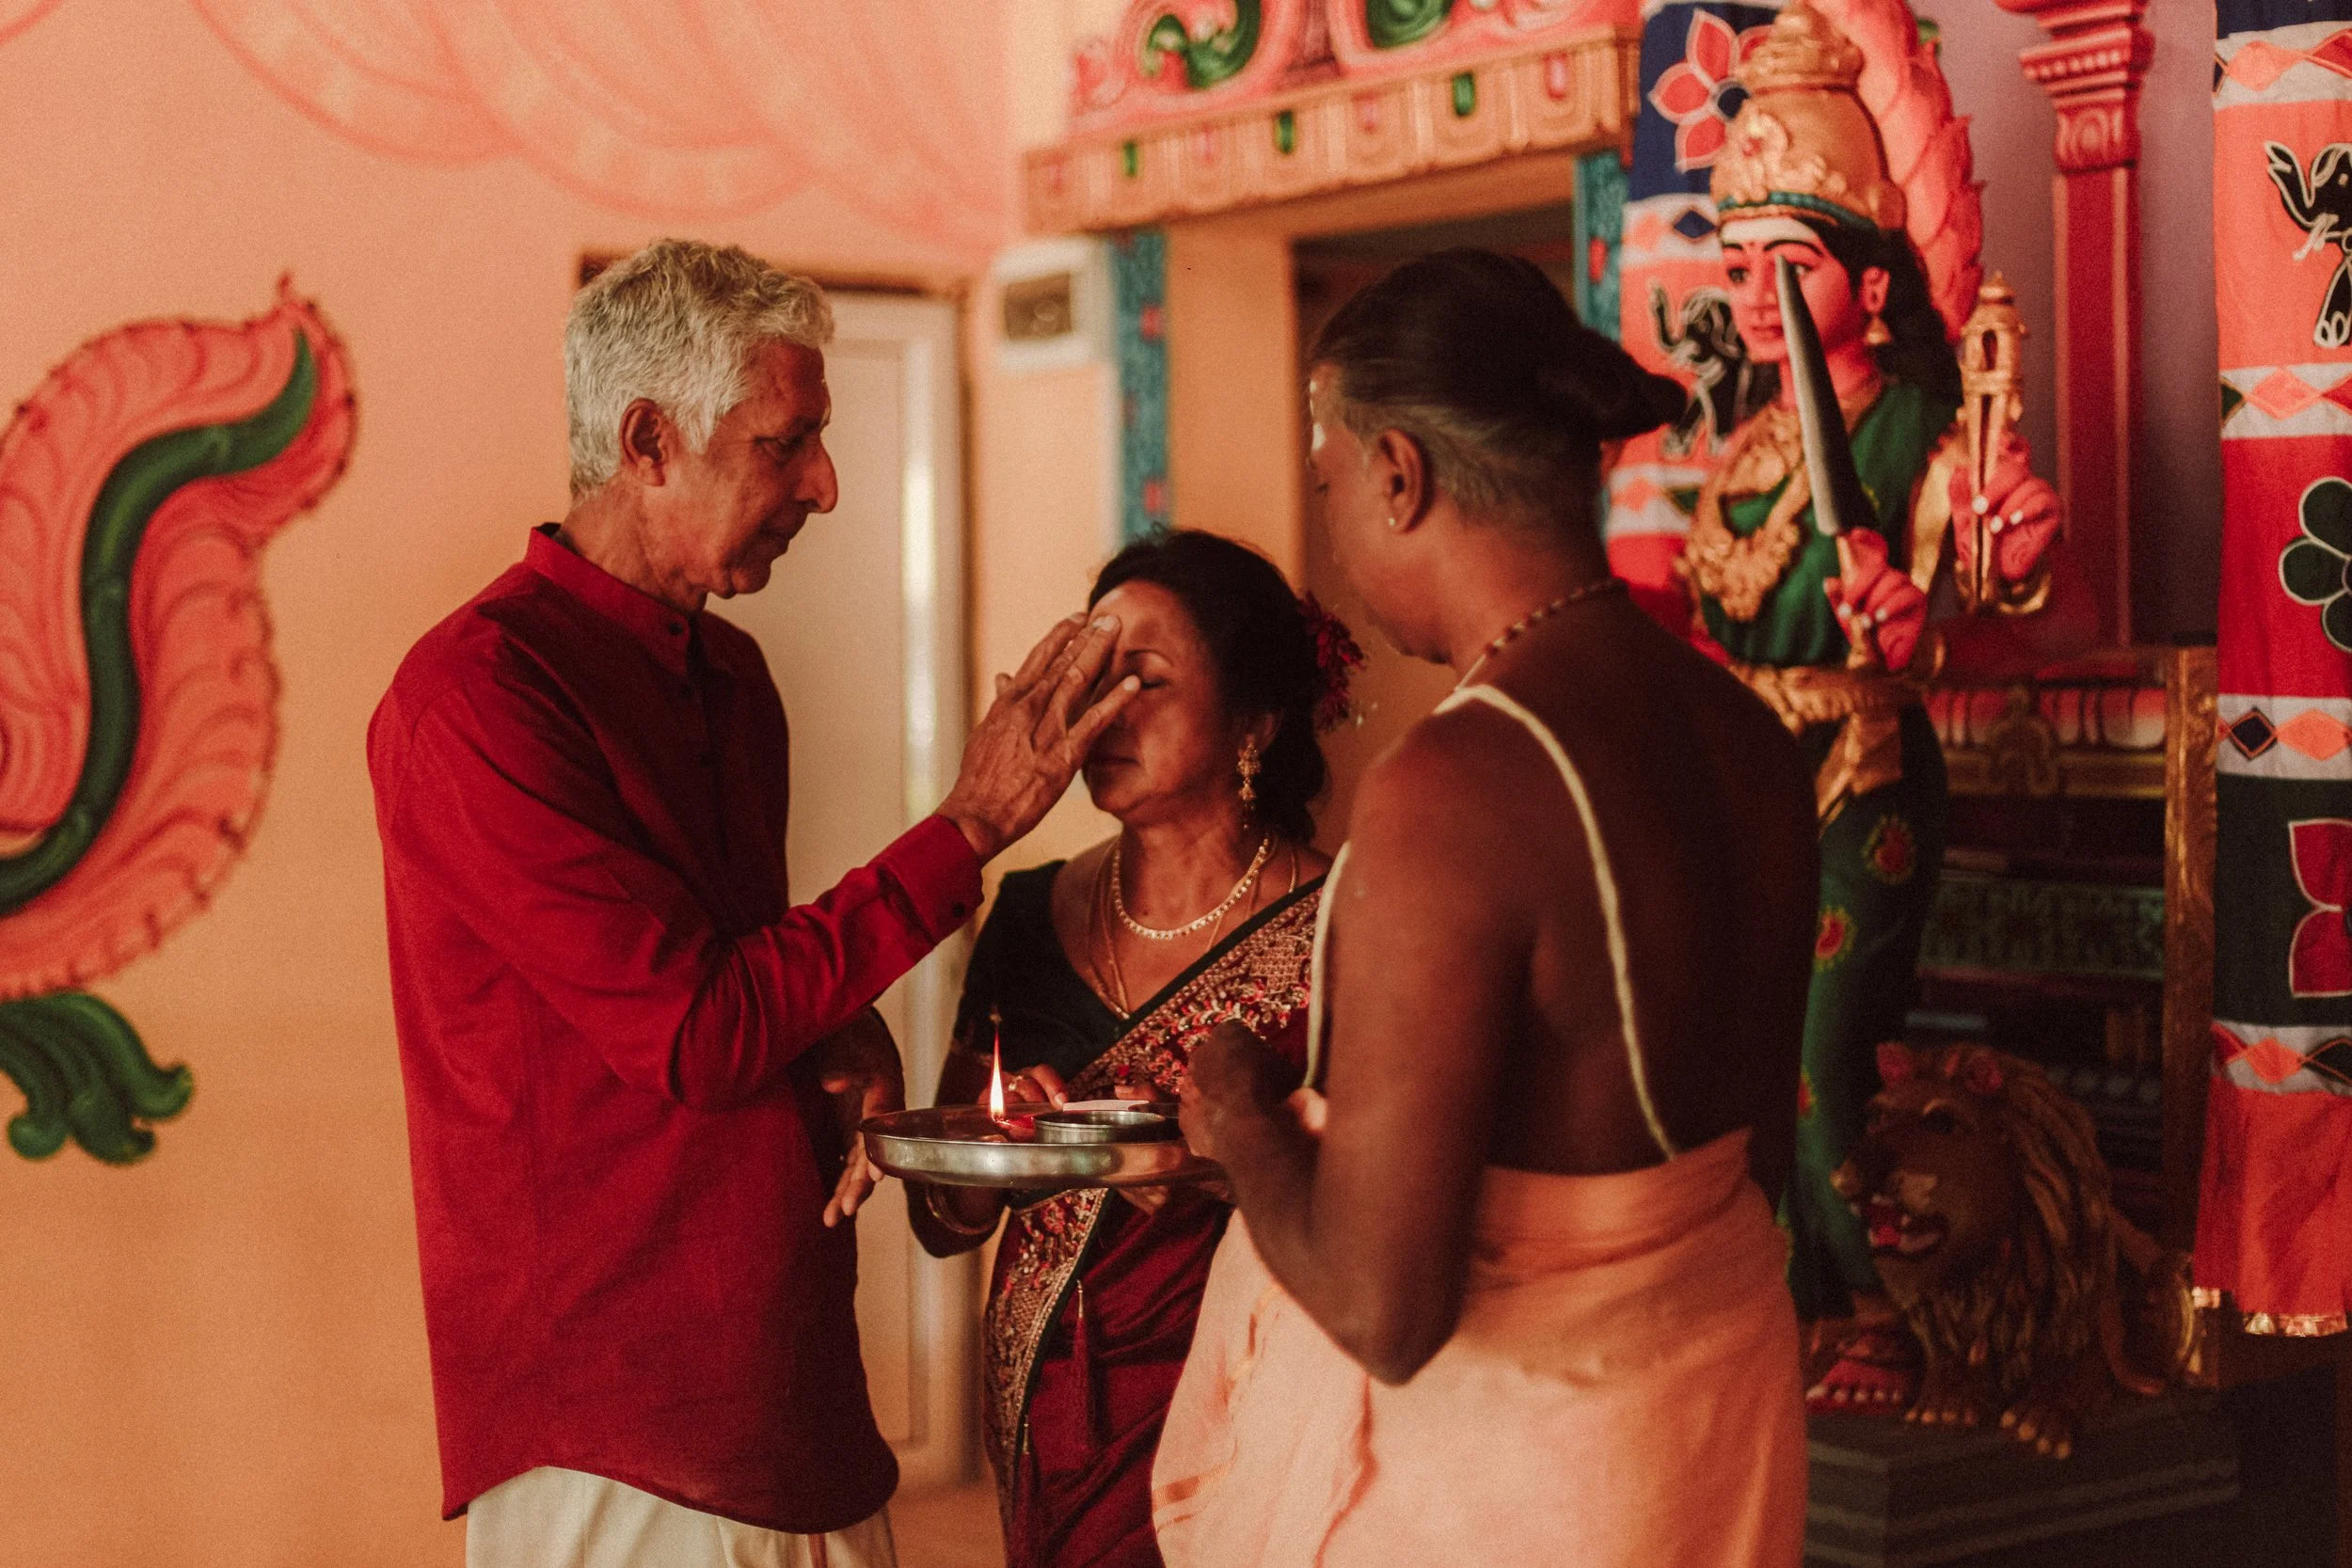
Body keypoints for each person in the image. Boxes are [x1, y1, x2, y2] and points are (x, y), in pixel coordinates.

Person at [368, 238, 1138, 1568]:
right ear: (652, 440)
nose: (826, 486)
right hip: (616, 1416)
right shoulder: (477, 699)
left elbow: (741, 982)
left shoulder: (730, 675)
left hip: (790, 1375)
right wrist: (970, 827)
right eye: (790, 443)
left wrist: (837, 1026)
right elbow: (696, 1030)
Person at [1150, 249, 1820, 1567]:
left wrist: (1239, 1113)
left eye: (1329, 481)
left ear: (1400, 473)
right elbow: (1752, 1156)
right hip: (1700, 1434)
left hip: (1523, 1481)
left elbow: (1384, 1304)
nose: (1331, 528)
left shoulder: (1456, 783)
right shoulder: (1750, 736)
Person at [1678, 0, 2087, 1401]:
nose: (1753, 298)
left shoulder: (1915, 423)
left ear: (1865, 282)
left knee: (1818, 1045)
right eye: (1737, 268)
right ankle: (1780, 1299)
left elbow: (1992, 549)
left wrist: (1994, 551)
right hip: (1741, 780)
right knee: (1728, 1047)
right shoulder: (1738, 447)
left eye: (1786, 265)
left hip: (1861, 768)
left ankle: (1878, 1301)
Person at [909, 530, 1347, 1568]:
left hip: (1244, 1392)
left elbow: (1385, 1204)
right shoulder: (1026, 909)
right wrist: (1005, 1142)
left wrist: (1223, 1154)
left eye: (1143, 677)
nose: (1102, 708)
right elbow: (945, 1214)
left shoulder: (1347, 924)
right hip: (1049, 1405)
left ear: (1254, 717)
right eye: (1089, 673)